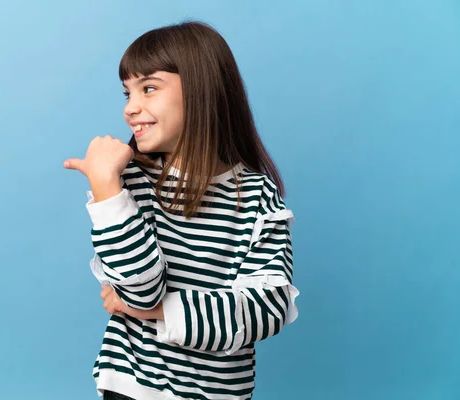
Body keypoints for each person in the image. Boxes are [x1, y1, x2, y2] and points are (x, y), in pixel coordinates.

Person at [63, 20, 299, 400]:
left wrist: (159, 311)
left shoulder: (257, 195)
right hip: (131, 386)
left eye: (149, 88)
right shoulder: (129, 183)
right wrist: (106, 188)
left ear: (202, 91)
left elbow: (267, 308)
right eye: (127, 93)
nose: (130, 108)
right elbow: (140, 291)